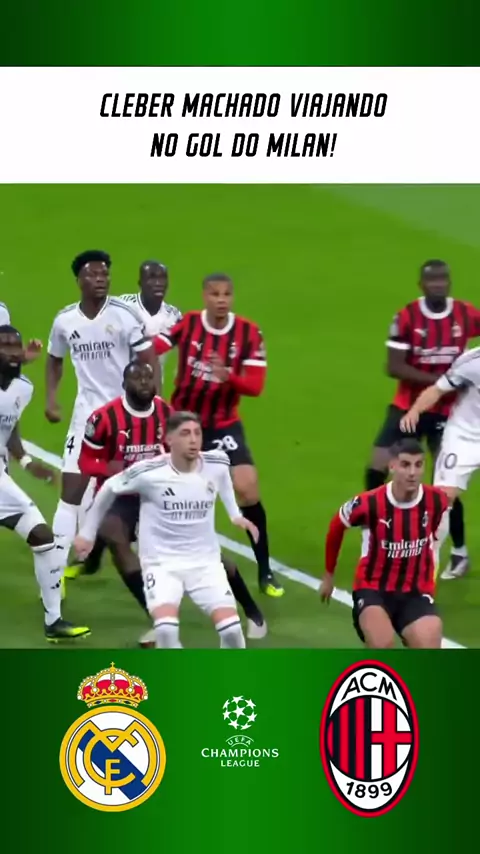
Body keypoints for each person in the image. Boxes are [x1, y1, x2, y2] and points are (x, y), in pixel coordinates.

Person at [74, 411, 259, 650]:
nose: (193, 440)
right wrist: (87, 533)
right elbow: (110, 487)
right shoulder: (149, 472)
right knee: (166, 629)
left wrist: (235, 514)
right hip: (162, 564)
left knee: (232, 630)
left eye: (197, 433)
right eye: (185, 434)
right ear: (169, 439)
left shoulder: (216, 462)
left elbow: (223, 479)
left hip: (205, 563)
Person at [154, 272, 283, 597]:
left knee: (247, 487)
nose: (221, 300)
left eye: (226, 294)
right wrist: (135, 343)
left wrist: (228, 376)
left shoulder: (249, 333)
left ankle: (265, 569)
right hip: (184, 421)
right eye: (215, 294)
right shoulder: (189, 324)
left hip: (224, 423)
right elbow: (156, 346)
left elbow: (255, 386)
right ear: (204, 296)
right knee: (168, 490)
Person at [45, 250, 157, 583]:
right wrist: (51, 399)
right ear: (79, 280)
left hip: (125, 418)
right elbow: (54, 359)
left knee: (134, 494)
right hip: (86, 418)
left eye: (104, 274)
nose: (100, 280)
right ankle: (53, 576)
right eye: (93, 275)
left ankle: (149, 565)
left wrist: (154, 405)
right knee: (71, 493)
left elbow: (148, 358)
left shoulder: (125, 315)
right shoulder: (65, 320)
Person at [365, 260, 480, 580]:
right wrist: (444, 380)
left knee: (446, 483)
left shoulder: (465, 313)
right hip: (409, 404)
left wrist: (454, 381)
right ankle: (376, 531)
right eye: (432, 280)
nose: (439, 284)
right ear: (422, 285)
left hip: (449, 412)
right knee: (377, 464)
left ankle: (459, 552)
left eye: (443, 279)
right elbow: (394, 365)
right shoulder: (407, 317)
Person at [0, 325, 90, 641]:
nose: (12, 351)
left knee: (41, 537)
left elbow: (9, 427)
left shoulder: (23, 388)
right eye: (4, 346)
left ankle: (54, 622)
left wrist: (26, 461)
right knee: (40, 530)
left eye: (16, 345)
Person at [320, 438, 448, 649]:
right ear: (392, 466)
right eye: (405, 465)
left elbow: (432, 537)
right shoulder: (368, 503)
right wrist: (329, 574)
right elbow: (337, 526)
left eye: (418, 465)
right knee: (382, 644)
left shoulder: (436, 500)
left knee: (429, 646)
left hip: (415, 592)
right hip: (373, 589)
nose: (412, 472)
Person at [400, 346, 480, 578]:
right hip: (464, 438)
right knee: (442, 501)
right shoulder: (472, 361)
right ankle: (423, 573)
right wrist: (415, 410)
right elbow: (438, 389)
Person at [119, 260, 182, 382]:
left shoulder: (174, 316)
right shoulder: (124, 306)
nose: (158, 283)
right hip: (120, 382)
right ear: (140, 283)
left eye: (162, 278)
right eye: (152, 278)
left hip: (152, 383)